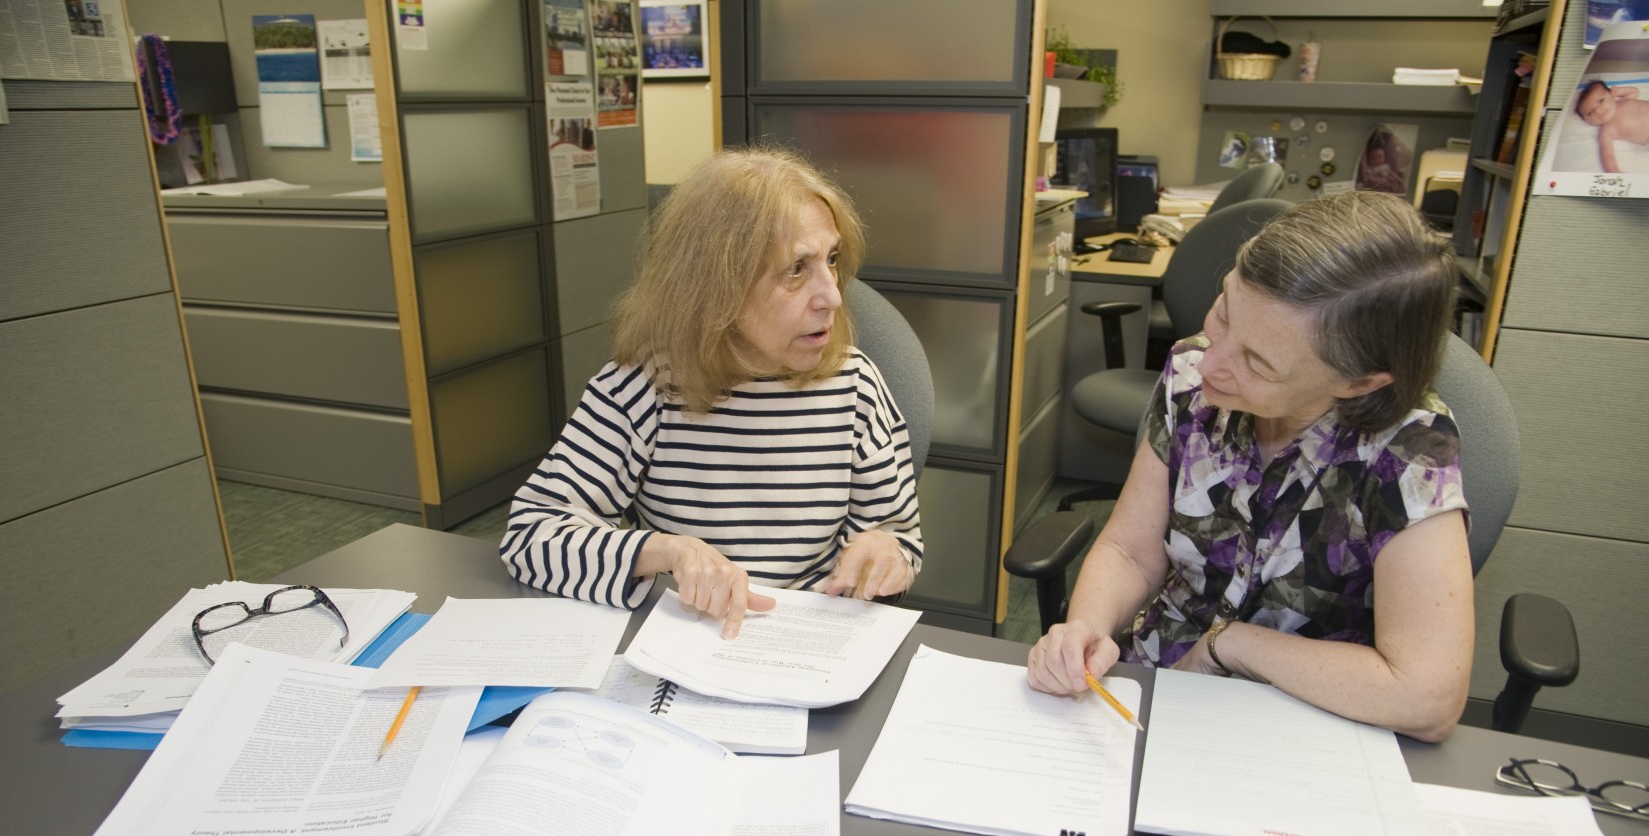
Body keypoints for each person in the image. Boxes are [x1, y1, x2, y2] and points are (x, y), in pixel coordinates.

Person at [1027, 191, 1471, 742]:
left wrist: (1227, 645)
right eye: (1224, 311)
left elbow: (1426, 696)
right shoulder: (1194, 370)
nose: (1209, 362)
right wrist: (1087, 627)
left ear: (1358, 383)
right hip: (1160, 687)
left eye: (1258, 362)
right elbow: (1128, 550)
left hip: (1306, 718)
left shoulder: (1409, 450)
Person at [500, 147, 923, 639]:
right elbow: (529, 536)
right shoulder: (645, 384)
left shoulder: (856, 386)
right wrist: (665, 550)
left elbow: (901, 541)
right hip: (689, 633)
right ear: (717, 286)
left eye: (831, 260)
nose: (831, 294)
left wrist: (886, 553)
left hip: (808, 640)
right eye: (795, 270)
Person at [1574, 80, 1649, 175]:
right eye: (1590, 113)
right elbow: (1607, 156)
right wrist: (1615, 173)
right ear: (1586, 121)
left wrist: (1619, 91)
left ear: (1611, 94)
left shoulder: (1623, 100)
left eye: (1601, 101)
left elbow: (1634, 91)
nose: (1598, 110)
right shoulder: (1606, 131)